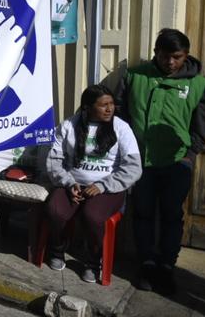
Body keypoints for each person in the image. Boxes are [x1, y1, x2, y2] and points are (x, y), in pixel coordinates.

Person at [115, 28, 205, 295]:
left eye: (177, 57)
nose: (170, 62)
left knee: (172, 216)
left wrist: (191, 154)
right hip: (141, 160)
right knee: (143, 213)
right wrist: (127, 149)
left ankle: (167, 267)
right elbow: (120, 113)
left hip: (177, 161)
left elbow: (202, 124)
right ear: (156, 53)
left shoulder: (197, 84)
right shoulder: (135, 76)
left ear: (186, 56)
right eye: (165, 56)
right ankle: (146, 264)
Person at [44, 84, 142, 283]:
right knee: (55, 210)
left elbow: (133, 168)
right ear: (87, 108)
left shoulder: (121, 128)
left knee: (93, 215)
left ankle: (92, 261)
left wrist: (103, 186)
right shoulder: (69, 126)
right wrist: (68, 182)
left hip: (108, 188)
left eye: (112, 104)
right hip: (72, 184)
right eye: (103, 105)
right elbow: (54, 161)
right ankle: (57, 249)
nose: (109, 109)